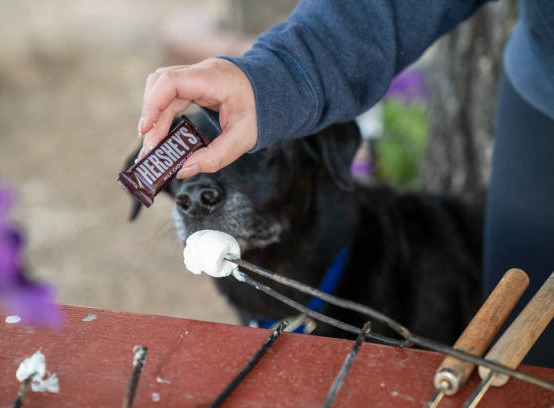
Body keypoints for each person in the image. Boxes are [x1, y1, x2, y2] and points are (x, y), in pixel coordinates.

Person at [137, 0, 554, 366]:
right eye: (183, 174)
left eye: (258, 153)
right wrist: (272, 78)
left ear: (326, 156)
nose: (197, 192)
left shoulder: (416, 296)